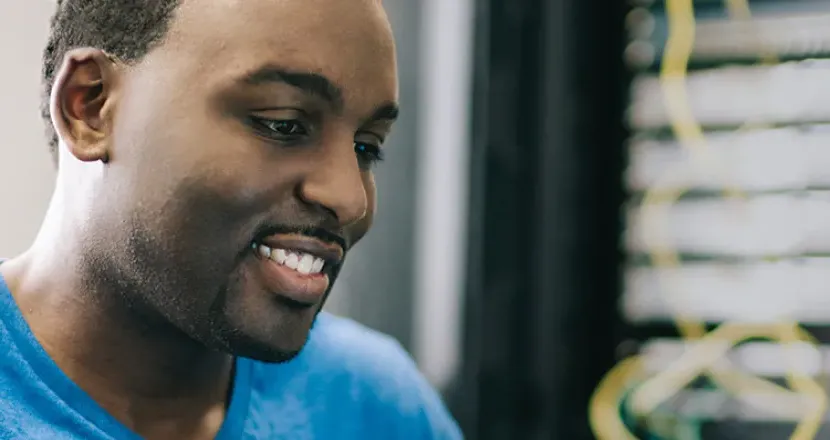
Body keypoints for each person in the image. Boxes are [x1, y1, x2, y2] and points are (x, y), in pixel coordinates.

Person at [0, 0, 463, 438]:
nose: (350, 199)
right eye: (282, 123)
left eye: (367, 148)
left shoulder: (377, 406)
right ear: (90, 106)